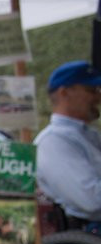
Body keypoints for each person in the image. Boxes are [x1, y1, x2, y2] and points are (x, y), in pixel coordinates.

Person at [34, 61, 101, 234]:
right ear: (64, 93)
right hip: (88, 232)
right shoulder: (53, 142)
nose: (98, 97)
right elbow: (91, 201)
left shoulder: (87, 134)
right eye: (91, 90)